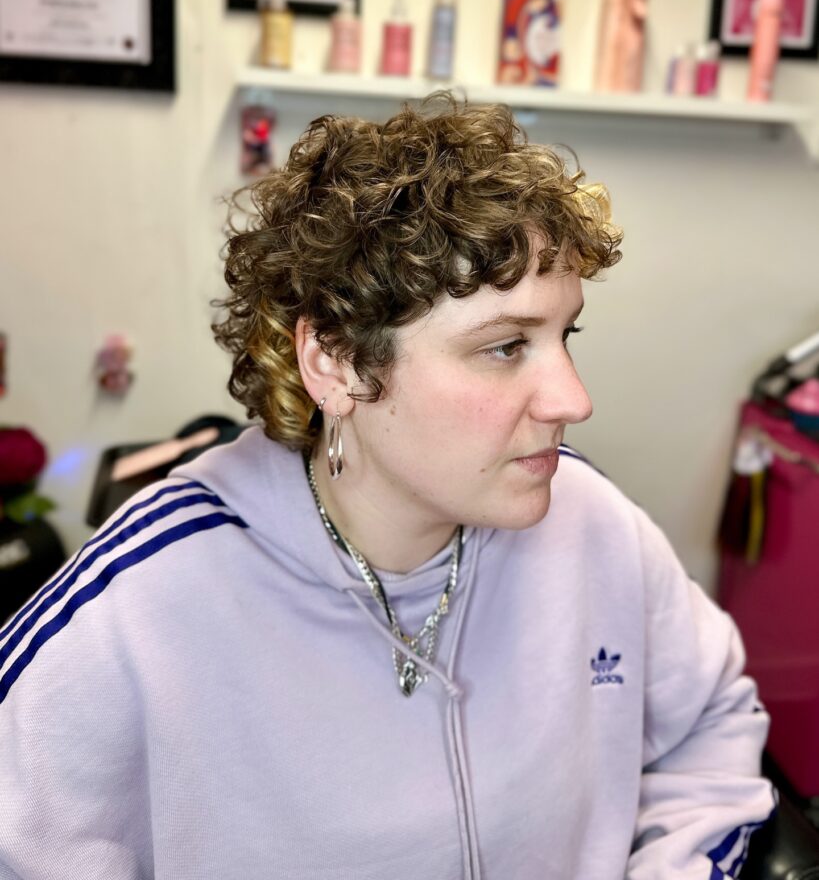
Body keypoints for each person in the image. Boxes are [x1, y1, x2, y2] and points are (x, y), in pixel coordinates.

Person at [0, 96, 775, 879]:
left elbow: (708, 723)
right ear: (334, 364)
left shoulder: (591, 524)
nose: (573, 399)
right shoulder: (142, 604)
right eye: (505, 347)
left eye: (562, 334)